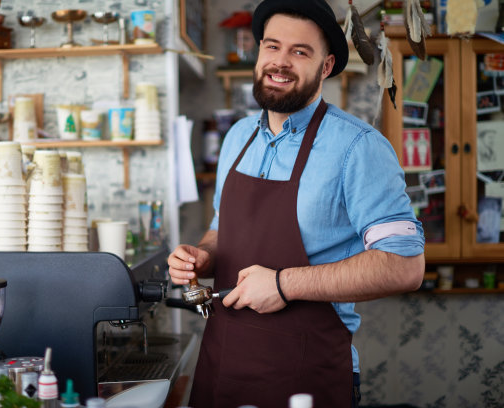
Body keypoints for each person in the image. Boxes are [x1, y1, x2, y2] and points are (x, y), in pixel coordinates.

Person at [167, 0, 425, 407]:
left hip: (307, 373)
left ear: (325, 66)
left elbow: (404, 266)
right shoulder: (236, 139)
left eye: (299, 51)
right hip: (222, 366)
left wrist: (284, 285)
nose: (280, 62)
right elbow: (223, 230)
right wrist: (201, 256)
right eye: (272, 47)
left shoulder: (358, 148)